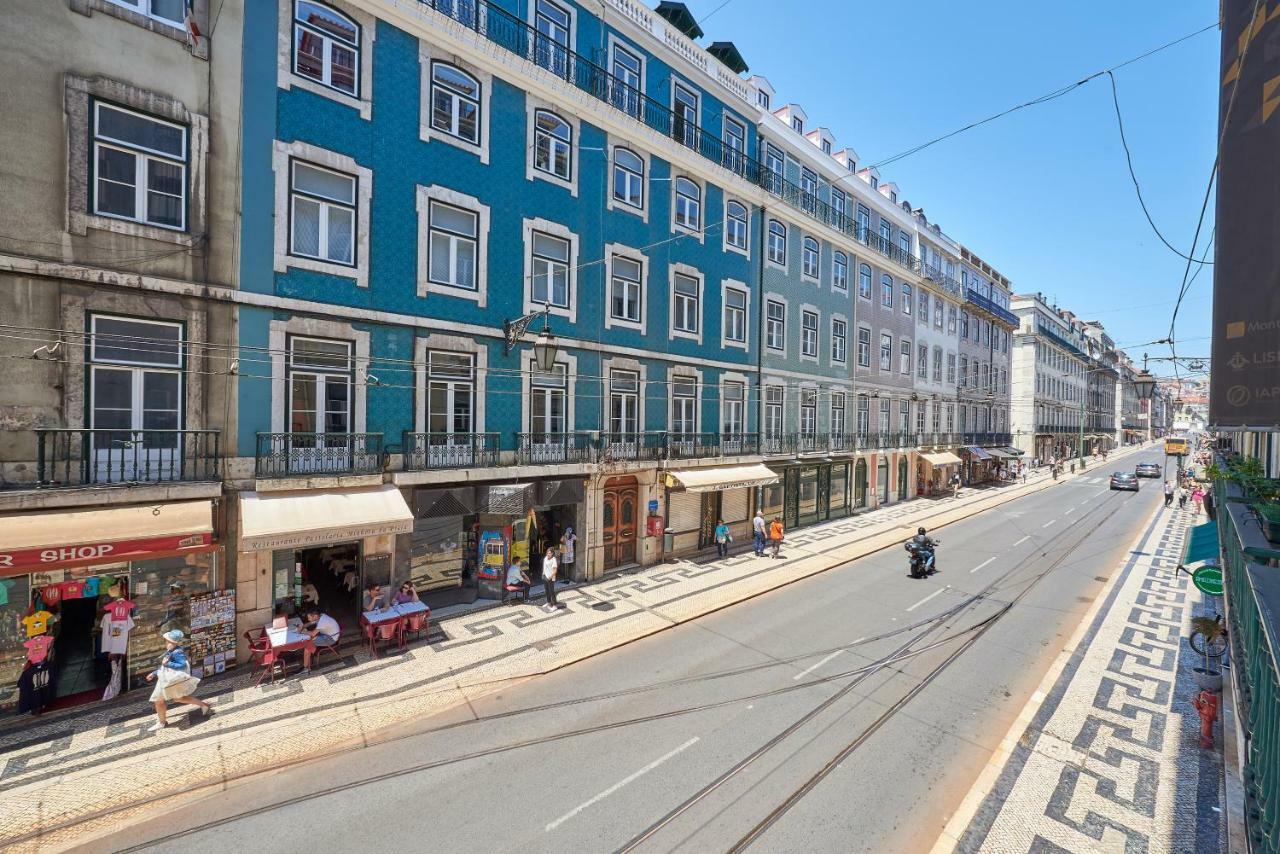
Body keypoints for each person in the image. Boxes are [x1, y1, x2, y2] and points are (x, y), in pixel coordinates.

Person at [145, 629, 211, 731]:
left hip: (170, 680)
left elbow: (182, 665)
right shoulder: (171, 651)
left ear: (173, 642)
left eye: (167, 641)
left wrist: (168, 664)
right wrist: (154, 673)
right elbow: (164, 667)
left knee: (160, 700)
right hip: (167, 679)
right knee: (177, 698)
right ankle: (203, 705)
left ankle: (162, 722)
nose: (166, 642)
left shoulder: (177, 652)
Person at [300, 607, 340, 673]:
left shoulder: (322, 621)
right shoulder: (321, 615)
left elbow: (313, 633)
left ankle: (305, 667)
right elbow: (310, 623)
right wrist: (302, 627)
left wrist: (301, 632)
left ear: (315, 616)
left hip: (331, 639)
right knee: (309, 638)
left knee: (308, 644)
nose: (308, 619)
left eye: (309, 617)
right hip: (327, 635)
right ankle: (310, 655)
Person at [541, 547, 559, 611]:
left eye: (549, 553)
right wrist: (543, 574)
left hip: (550, 578)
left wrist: (550, 577)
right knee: (546, 590)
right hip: (545, 576)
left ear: (552, 554)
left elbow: (555, 571)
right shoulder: (545, 558)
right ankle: (548, 602)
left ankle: (554, 605)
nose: (548, 554)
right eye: (547, 553)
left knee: (552, 591)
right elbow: (544, 566)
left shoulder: (553, 560)